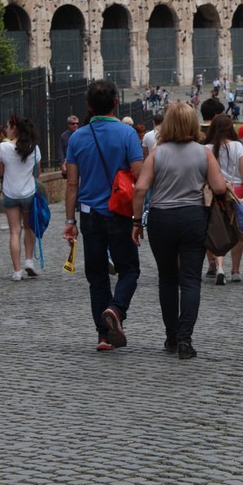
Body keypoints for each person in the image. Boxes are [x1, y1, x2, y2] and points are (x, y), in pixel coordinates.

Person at [132, 103, 226, 359]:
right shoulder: (203, 153)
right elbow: (218, 188)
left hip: (161, 218)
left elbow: (140, 189)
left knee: (167, 278)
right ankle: (186, 339)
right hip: (193, 217)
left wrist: (136, 221)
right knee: (190, 280)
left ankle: (171, 336)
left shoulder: (157, 152)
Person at [63, 80, 143, 351]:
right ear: (116, 103)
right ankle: (116, 310)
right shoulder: (127, 134)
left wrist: (70, 221)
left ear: (87, 105)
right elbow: (140, 177)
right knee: (129, 269)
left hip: (89, 214)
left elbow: (72, 183)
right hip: (119, 212)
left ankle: (103, 336)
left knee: (96, 276)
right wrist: (138, 218)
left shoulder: (77, 137)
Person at [205, 114, 243, 284]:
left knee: (218, 228)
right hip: (237, 190)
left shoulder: (207, 147)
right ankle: (236, 269)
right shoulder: (237, 146)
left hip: (216, 190)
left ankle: (219, 266)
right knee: (237, 230)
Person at [0, 116, 42, 281]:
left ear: (14, 129)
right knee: (29, 228)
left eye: (7, 126)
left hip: (10, 193)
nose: (6, 129)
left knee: (15, 231)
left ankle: (17, 271)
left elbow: (0, 172)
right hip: (28, 192)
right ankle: (29, 261)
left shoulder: (3, 147)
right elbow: (38, 173)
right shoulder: (34, 149)